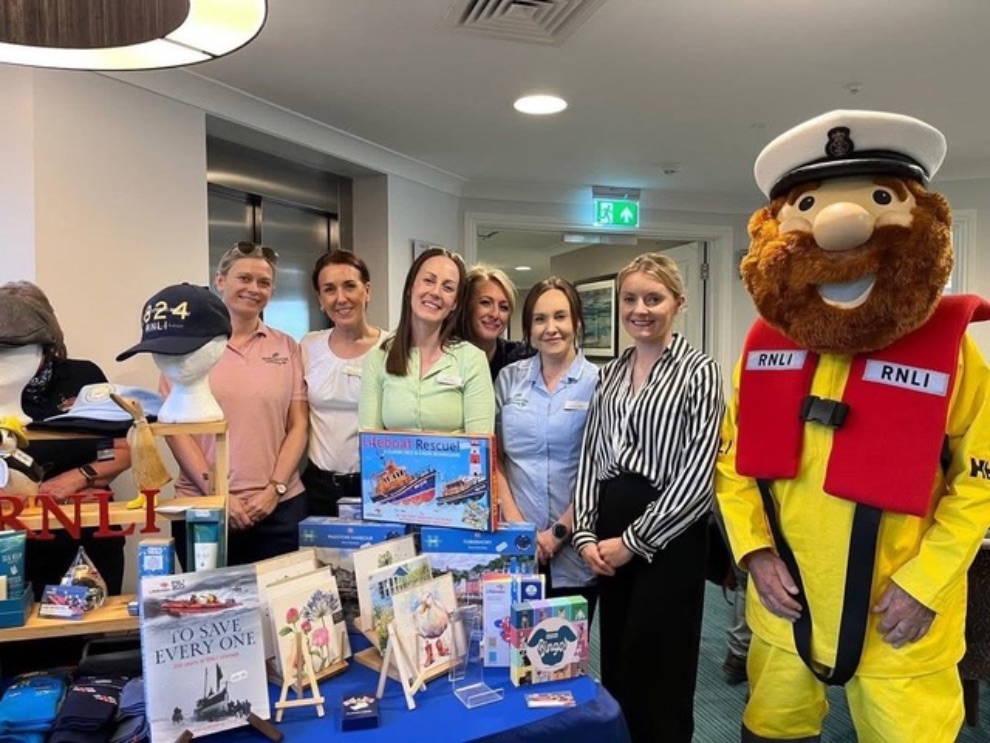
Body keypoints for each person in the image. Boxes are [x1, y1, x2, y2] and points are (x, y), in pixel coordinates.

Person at [717, 110, 990, 743]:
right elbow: (733, 466)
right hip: (786, 601)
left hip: (898, 613)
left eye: (878, 198)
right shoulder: (762, 349)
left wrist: (925, 585)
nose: (840, 225)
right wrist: (754, 553)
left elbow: (978, 484)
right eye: (810, 206)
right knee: (773, 729)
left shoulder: (953, 355)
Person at [572, 253, 724, 743]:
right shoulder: (611, 374)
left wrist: (634, 542)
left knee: (661, 663)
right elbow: (591, 455)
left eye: (653, 299)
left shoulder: (700, 372)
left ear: (678, 303)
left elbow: (698, 476)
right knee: (618, 656)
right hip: (609, 528)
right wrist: (585, 533)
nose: (640, 309)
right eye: (630, 299)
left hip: (669, 534)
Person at [164, 241, 309, 566]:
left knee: (281, 598)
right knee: (209, 597)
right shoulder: (185, 348)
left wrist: (275, 489)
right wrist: (220, 495)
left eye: (264, 282)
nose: (253, 289)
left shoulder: (287, 346)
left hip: (279, 506)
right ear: (220, 280)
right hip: (204, 505)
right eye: (244, 278)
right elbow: (175, 430)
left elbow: (299, 424)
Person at [0, 282, 130, 598]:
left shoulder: (83, 378)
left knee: (90, 625)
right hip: (14, 537)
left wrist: (78, 477)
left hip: (85, 530)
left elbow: (123, 450)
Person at [495, 277, 598, 618]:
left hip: (575, 546)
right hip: (516, 542)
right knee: (511, 640)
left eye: (560, 316)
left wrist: (556, 534)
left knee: (566, 642)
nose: (550, 328)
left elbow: (600, 468)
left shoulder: (599, 383)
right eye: (539, 319)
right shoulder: (508, 379)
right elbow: (495, 459)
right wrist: (520, 529)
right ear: (528, 329)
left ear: (577, 322)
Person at [360, 247, 494, 435]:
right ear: (410, 288)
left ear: (455, 303)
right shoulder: (378, 358)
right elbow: (368, 441)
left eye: (448, 288)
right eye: (429, 281)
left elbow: (479, 444)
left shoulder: (472, 359)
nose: (436, 292)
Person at [301, 250, 385, 515]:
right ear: (320, 299)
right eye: (329, 289)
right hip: (318, 487)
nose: (341, 298)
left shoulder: (392, 348)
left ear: (367, 291)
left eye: (349, 286)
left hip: (378, 484)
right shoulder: (308, 346)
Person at [461, 265, 532, 380]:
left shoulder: (522, 358)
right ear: (466, 306)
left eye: (503, 307)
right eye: (485, 303)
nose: (495, 314)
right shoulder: (446, 355)